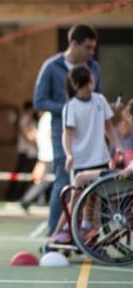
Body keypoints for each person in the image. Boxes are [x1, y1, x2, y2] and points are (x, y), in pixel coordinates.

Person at [34, 24, 101, 235]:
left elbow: (97, 100)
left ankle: (83, 233)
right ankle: (55, 234)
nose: (92, 53)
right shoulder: (51, 66)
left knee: (92, 184)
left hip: (91, 136)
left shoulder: (94, 67)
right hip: (63, 134)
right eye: (88, 47)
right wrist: (70, 108)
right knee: (63, 182)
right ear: (74, 44)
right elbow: (39, 101)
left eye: (93, 48)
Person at [47, 65, 122, 244]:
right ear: (76, 85)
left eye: (91, 81)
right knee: (76, 198)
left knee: (95, 198)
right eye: (87, 82)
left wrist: (117, 146)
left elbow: (109, 126)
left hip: (100, 157)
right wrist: (69, 155)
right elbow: (67, 134)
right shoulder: (71, 107)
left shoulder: (99, 100)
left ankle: (86, 229)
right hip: (81, 160)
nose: (91, 85)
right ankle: (63, 231)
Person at [20, 111, 54, 211]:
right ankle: (27, 200)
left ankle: (28, 199)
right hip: (49, 155)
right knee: (43, 181)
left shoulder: (44, 119)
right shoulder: (48, 118)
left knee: (43, 181)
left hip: (45, 154)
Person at [5, 100, 39, 200]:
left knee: (25, 174)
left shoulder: (29, 120)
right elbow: (26, 136)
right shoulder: (25, 120)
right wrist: (36, 144)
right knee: (23, 174)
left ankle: (17, 195)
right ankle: (15, 195)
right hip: (26, 151)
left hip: (28, 151)